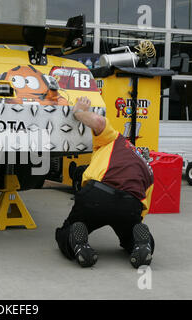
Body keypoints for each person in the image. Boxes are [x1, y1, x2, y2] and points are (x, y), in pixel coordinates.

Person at [55, 97, 155, 269]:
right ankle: (142, 244)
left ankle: (78, 246)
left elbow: (99, 121)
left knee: (67, 230)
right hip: (131, 203)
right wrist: (133, 224)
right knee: (130, 232)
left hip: (98, 194)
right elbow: (143, 208)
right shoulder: (147, 169)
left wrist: (79, 111)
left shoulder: (114, 140)